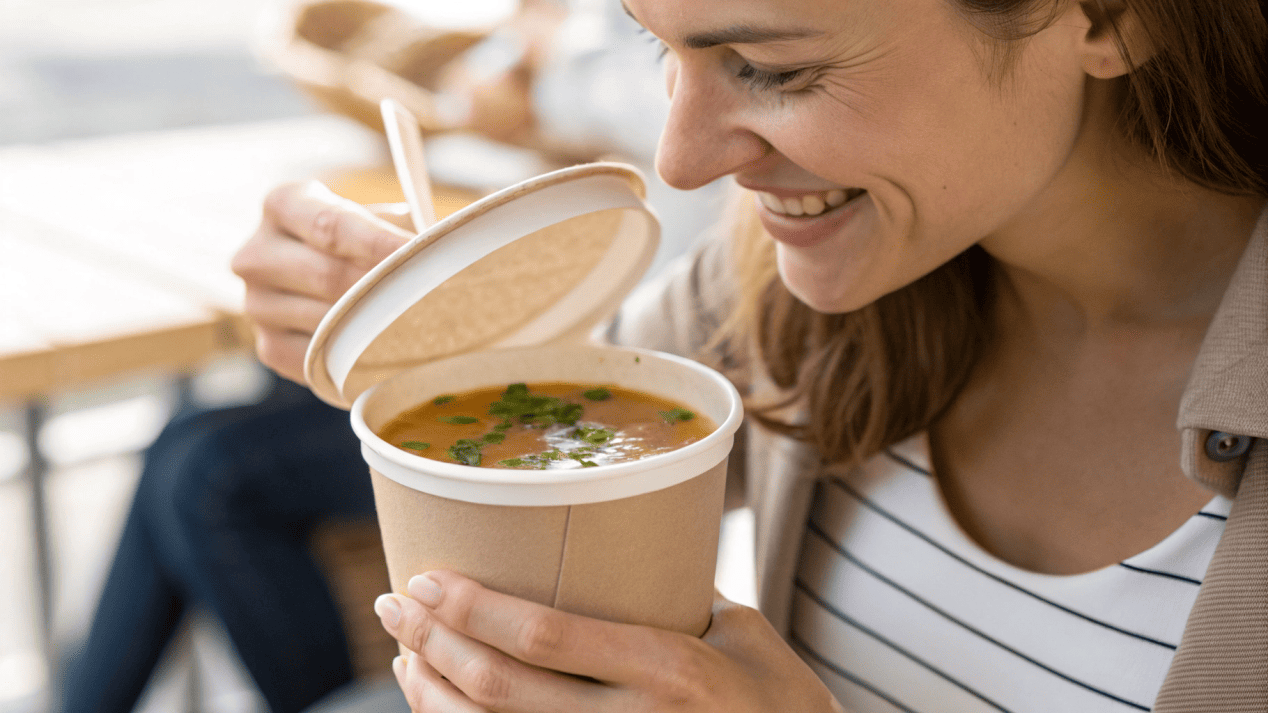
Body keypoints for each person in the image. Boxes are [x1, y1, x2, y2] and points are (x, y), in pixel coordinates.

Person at [236, 0, 1268, 711]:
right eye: (659, 48)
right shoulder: (781, 285)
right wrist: (393, 314)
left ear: (1107, 16)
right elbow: (559, 431)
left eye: (775, 70)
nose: (681, 162)